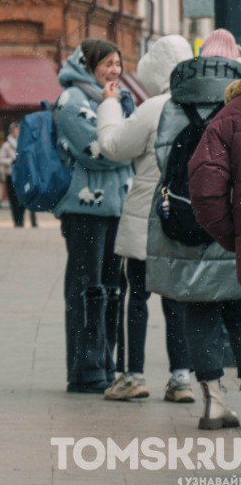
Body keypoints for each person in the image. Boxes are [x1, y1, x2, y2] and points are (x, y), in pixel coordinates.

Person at [93, 35, 196, 403]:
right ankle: (181, 377)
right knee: (176, 300)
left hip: (149, 216)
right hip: (186, 216)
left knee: (137, 296)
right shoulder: (198, 103)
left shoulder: (155, 107)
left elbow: (115, 147)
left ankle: (133, 374)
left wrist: (108, 107)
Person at [54, 40, 135, 394]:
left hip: (117, 206)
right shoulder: (73, 100)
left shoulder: (119, 100)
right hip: (85, 210)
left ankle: (107, 363)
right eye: (107, 64)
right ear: (88, 65)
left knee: (113, 288)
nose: (114, 70)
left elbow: (126, 145)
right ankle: (85, 369)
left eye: (118, 64)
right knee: (87, 288)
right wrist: (125, 146)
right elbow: (100, 152)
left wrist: (122, 140)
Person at [181, 34, 241, 429]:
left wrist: (229, 233)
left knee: (200, 308)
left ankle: (214, 399)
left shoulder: (224, 115)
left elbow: (204, 186)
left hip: (184, 233)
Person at [0, 122, 37, 228]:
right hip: (11, 175)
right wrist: (11, 160)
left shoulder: (26, 143)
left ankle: (22, 218)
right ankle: (17, 220)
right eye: (15, 130)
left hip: (23, 175)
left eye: (18, 130)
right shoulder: (7, 145)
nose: (17, 132)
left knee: (22, 197)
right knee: (13, 199)